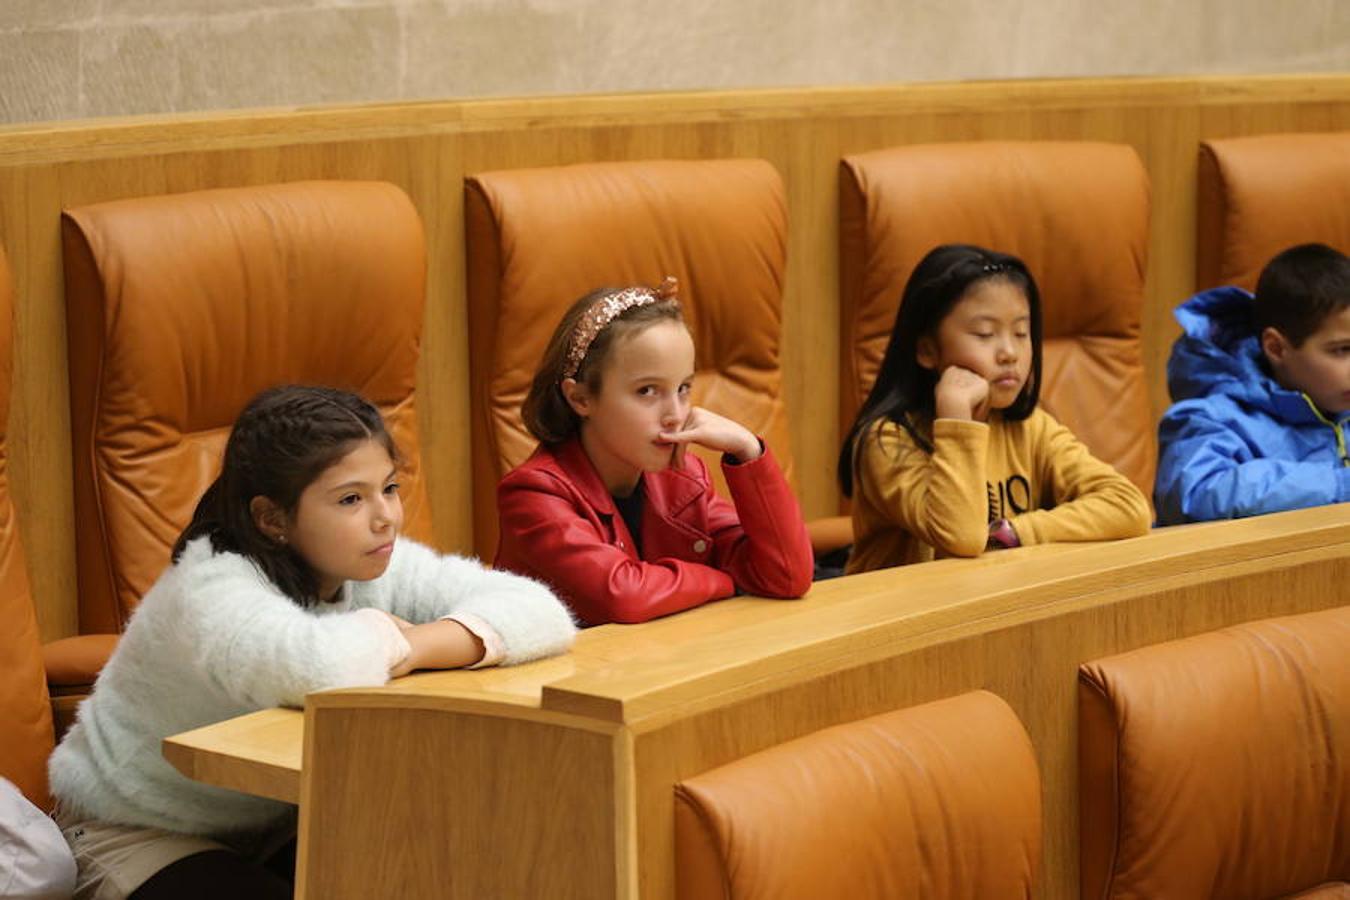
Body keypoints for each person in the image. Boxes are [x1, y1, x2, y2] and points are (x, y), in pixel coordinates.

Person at [48, 385, 576, 900]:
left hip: (280, 818)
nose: (385, 517)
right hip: (138, 834)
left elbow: (542, 612)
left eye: (389, 488)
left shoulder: (368, 559)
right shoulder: (212, 583)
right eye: (350, 498)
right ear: (272, 518)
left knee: (461, 865)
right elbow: (316, 666)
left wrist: (411, 644)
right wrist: (394, 633)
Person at [495, 277, 813, 625]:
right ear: (581, 398)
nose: (675, 415)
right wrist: (724, 580)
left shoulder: (685, 479)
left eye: (683, 388)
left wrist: (748, 451)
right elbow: (624, 596)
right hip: (559, 679)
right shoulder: (532, 494)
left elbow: (786, 575)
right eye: (647, 391)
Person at [838, 244, 1150, 573]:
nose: (1009, 353)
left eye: (1021, 333)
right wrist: (957, 420)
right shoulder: (887, 441)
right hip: (901, 617)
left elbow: (1128, 505)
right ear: (928, 350)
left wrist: (1015, 533)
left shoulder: (1031, 427)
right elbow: (961, 537)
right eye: (985, 334)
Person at [1155, 242, 1350, 524]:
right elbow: (1194, 495)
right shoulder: (1210, 418)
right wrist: (1339, 485)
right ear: (1277, 348)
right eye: (1342, 350)